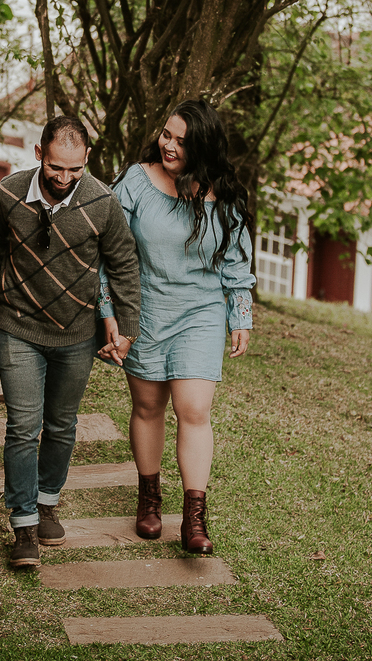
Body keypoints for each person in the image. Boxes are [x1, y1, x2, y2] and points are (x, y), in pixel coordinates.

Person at [0, 115, 141, 569]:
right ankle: (24, 525)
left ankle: (47, 501)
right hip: (19, 326)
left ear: (86, 159)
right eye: (56, 168)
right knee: (23, 426)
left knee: (63, 424)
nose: (65, 179)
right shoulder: (10, 193)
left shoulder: (103, 202)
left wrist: (125, 328)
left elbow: (124, 264)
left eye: (74, 169)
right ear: (38, 156)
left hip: (76, 334)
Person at [98, 99, 255, 554]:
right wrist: (110, 313)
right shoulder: (136, 181)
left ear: (202, 147)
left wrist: (238, 313)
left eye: (182, 141)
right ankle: (149, 500)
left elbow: (235, 261)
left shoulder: (223, 195)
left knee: (194, 411)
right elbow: (110, 254)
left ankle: (194, 519)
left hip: (201, 313)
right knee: (148, 408)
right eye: (167, 134)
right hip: (144, 310)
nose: (169, 145)